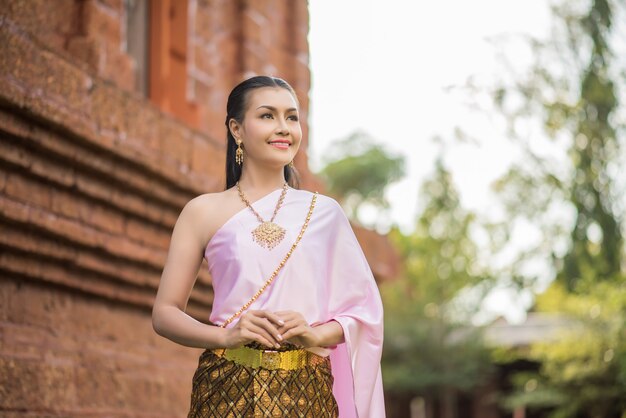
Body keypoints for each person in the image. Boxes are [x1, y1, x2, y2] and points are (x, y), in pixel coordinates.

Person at [152, 75, 385, 417]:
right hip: (226, 387)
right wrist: (225, 337)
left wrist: (313, 333)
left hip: (307, 391)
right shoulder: (202, 212)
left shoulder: (324, 213)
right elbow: (164, 313)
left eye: (292, 117)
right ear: (236, 129)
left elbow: (364, 315)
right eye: (267, 116)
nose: (284, 127)